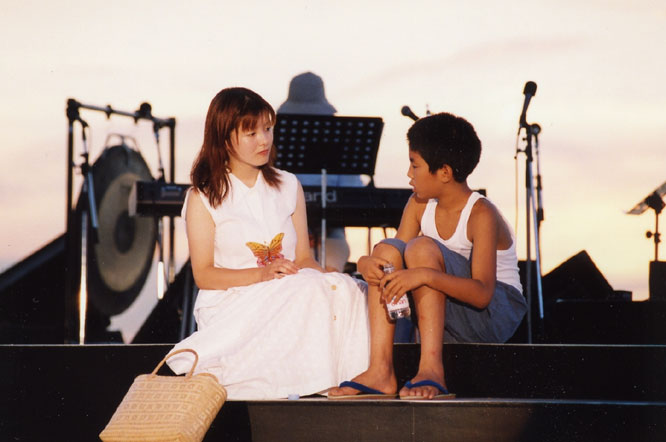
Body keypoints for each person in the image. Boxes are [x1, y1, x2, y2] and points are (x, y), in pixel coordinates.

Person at [166, 87, 370, 400]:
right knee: (308, 289)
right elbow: (204, 275)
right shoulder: (202, 197)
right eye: (251, 133)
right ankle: (310, 382)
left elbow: (303, 259)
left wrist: (329, 280)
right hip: (234, 301)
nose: (264, 140)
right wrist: (263, 274)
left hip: (290, 289)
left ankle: (345, 381)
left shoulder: (288, 184)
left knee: (348, 288)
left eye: (268, 129)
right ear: (224, 138)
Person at [329, 112, 527, 400]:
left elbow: (483, 294)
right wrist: (365, 261)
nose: (409, 174)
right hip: (450, 308)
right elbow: (393, 253)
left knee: (421, 248)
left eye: (415, 165)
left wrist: (424, 275)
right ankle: (380, 370)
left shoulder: (482, 213)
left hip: (492, 314)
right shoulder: (419, 203)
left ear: (444, 172)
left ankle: (432, 369)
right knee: (386, 250)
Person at [277, 72, 364, 272]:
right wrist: (300, 232)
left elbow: (353, 194)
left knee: (333, 256)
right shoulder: (274, 146)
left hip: (331, 235)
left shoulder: (339, 146)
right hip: (286, 234)